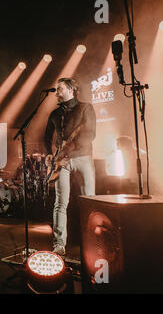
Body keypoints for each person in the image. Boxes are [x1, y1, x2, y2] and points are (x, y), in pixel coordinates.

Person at [44, 78, 96, 256]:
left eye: (60, 89)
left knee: (89, 201)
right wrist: (49, 154)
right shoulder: (54, 114)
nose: (57, 92)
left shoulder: (86, 108)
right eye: (57, 89)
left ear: (71, 89)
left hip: (82, 159)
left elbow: (90, 133)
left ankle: (93, 242)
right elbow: (46, 136)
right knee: (60, 203)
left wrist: (69, 151)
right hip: (61, 163)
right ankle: (59, 244)